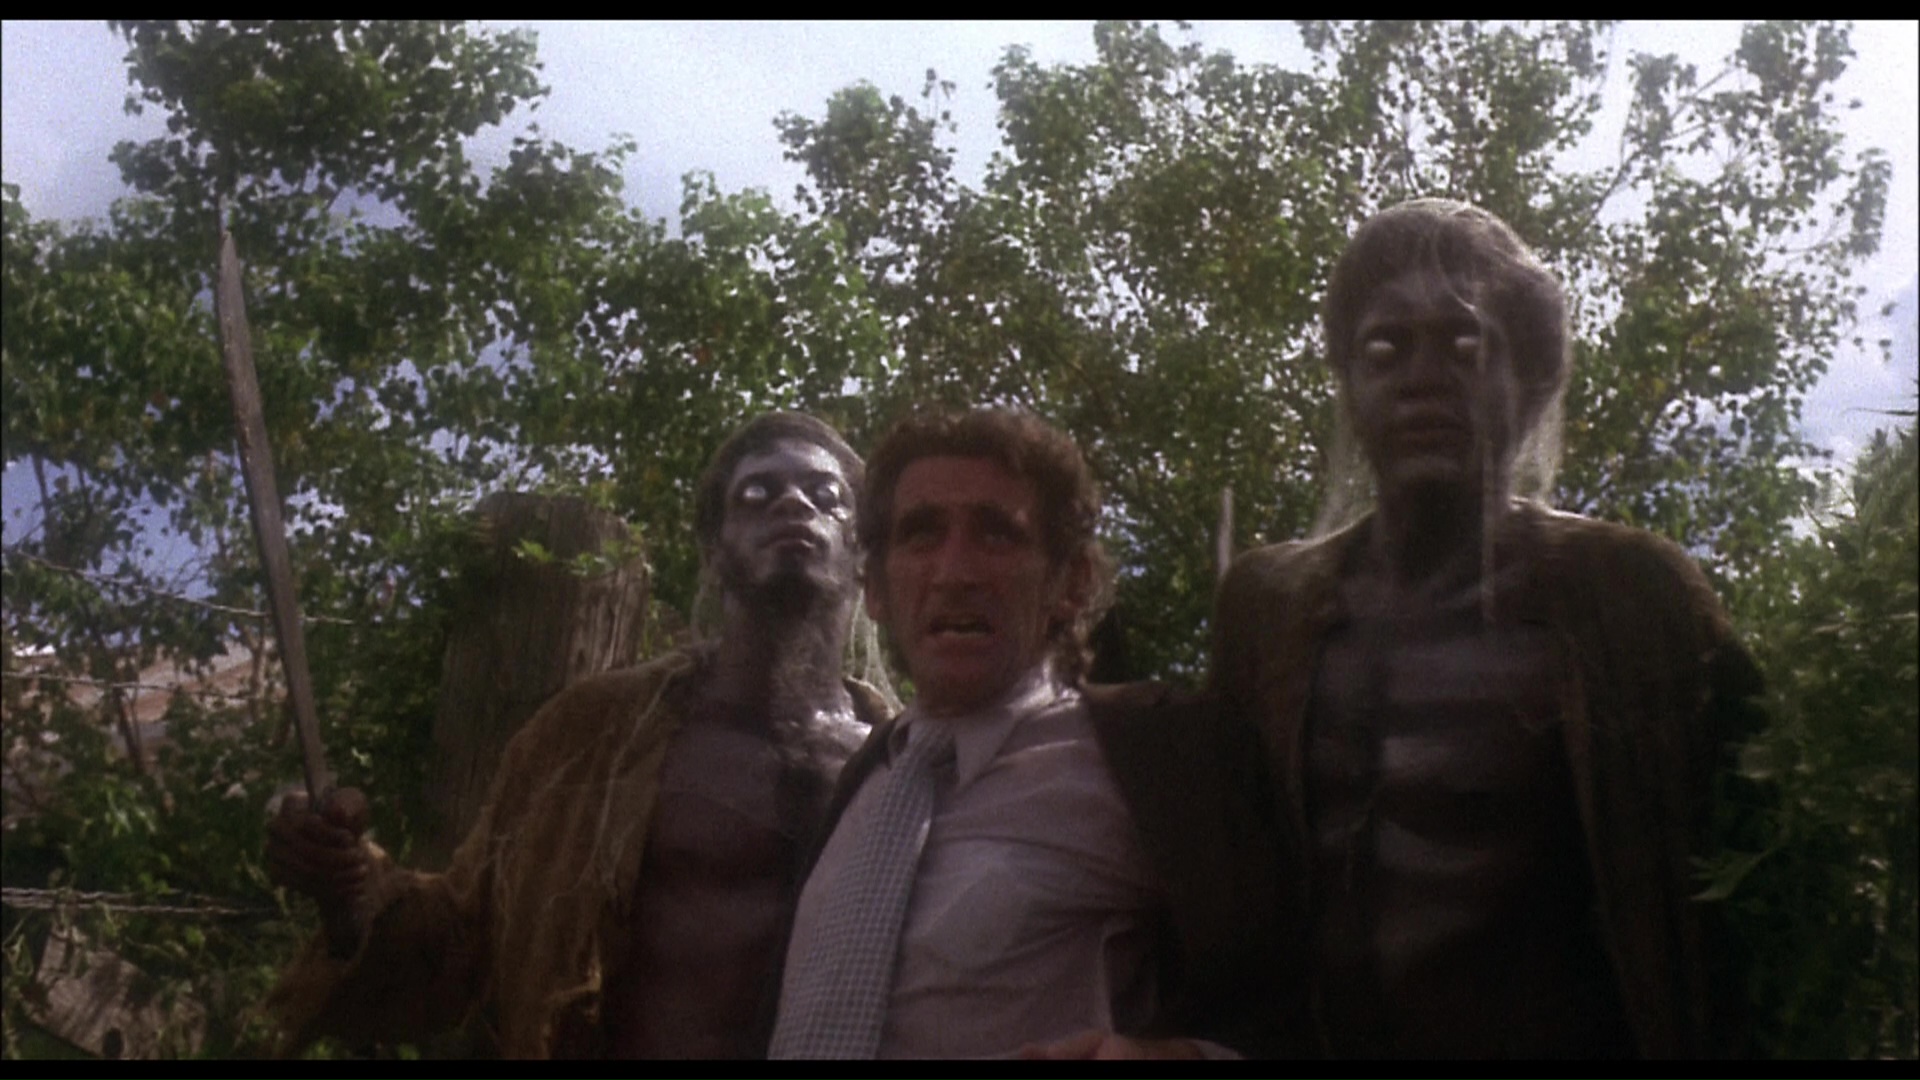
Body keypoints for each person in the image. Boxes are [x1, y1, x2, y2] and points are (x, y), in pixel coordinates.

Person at [1211, 199, 1762, 1057]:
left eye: (1466, 345)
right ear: (1349, 383)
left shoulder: (1628, 595)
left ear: (1531, 380)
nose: (1423, 378)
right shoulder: (1265, 609)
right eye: (1384, 349)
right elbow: (1217, 880)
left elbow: (1757, 872)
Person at [265, 412, 891, 1058]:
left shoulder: (911, 765)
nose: (793, 504)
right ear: (713, 548)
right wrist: (349, 888)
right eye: (757, 493)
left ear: (863, 554)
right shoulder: (594, 736)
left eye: (826, 496)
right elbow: (457, 940)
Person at [771, 407, 1260, 1059]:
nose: (955, 572)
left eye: (997, 534)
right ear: (877, 591)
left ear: (1071, 582)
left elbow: (1303, 1004)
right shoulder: (864, 778)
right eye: (921, 534)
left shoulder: (1151, 760)